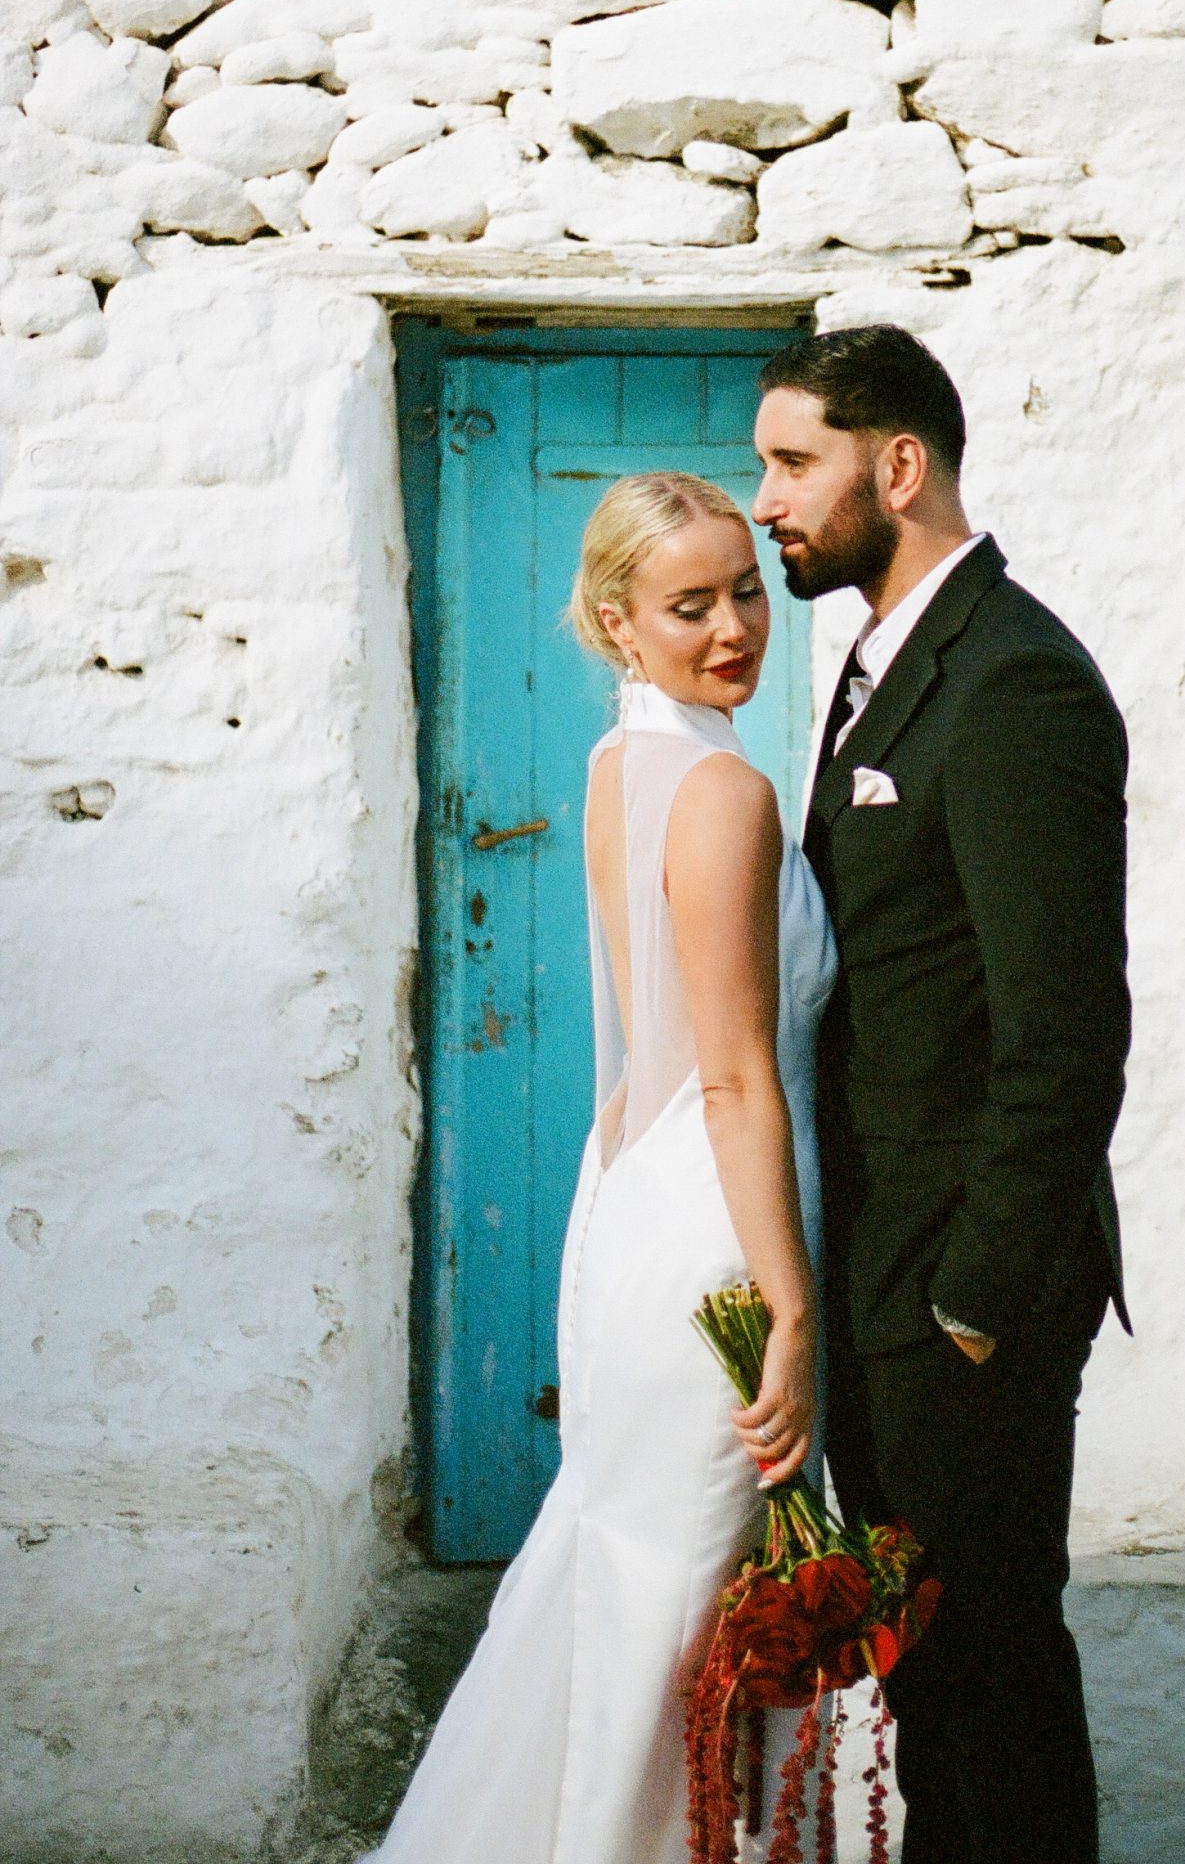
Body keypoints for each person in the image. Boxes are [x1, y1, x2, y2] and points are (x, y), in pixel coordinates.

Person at [370, 472, 836, 1864]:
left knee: (633, 1584)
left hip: (644, 1207)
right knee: (684, 1615)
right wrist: (791, 1305)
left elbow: (649, 1053)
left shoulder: (616, 765)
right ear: (617, 621)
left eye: (745, 590)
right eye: (689, 606)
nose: (733, 628)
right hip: (722, 1236)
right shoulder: (725, 792)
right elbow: (736, 1076)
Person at [753, 324, 1132, 1864]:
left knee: (989, 1671)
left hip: (959, 1287)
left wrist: (971, 1297)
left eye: (795, 463)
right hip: (884, 1264)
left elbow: (1066, 1033)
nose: (767, 501)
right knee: (929, 1673)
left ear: (897, 465)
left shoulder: (1014, 679)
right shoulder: (887, 662)